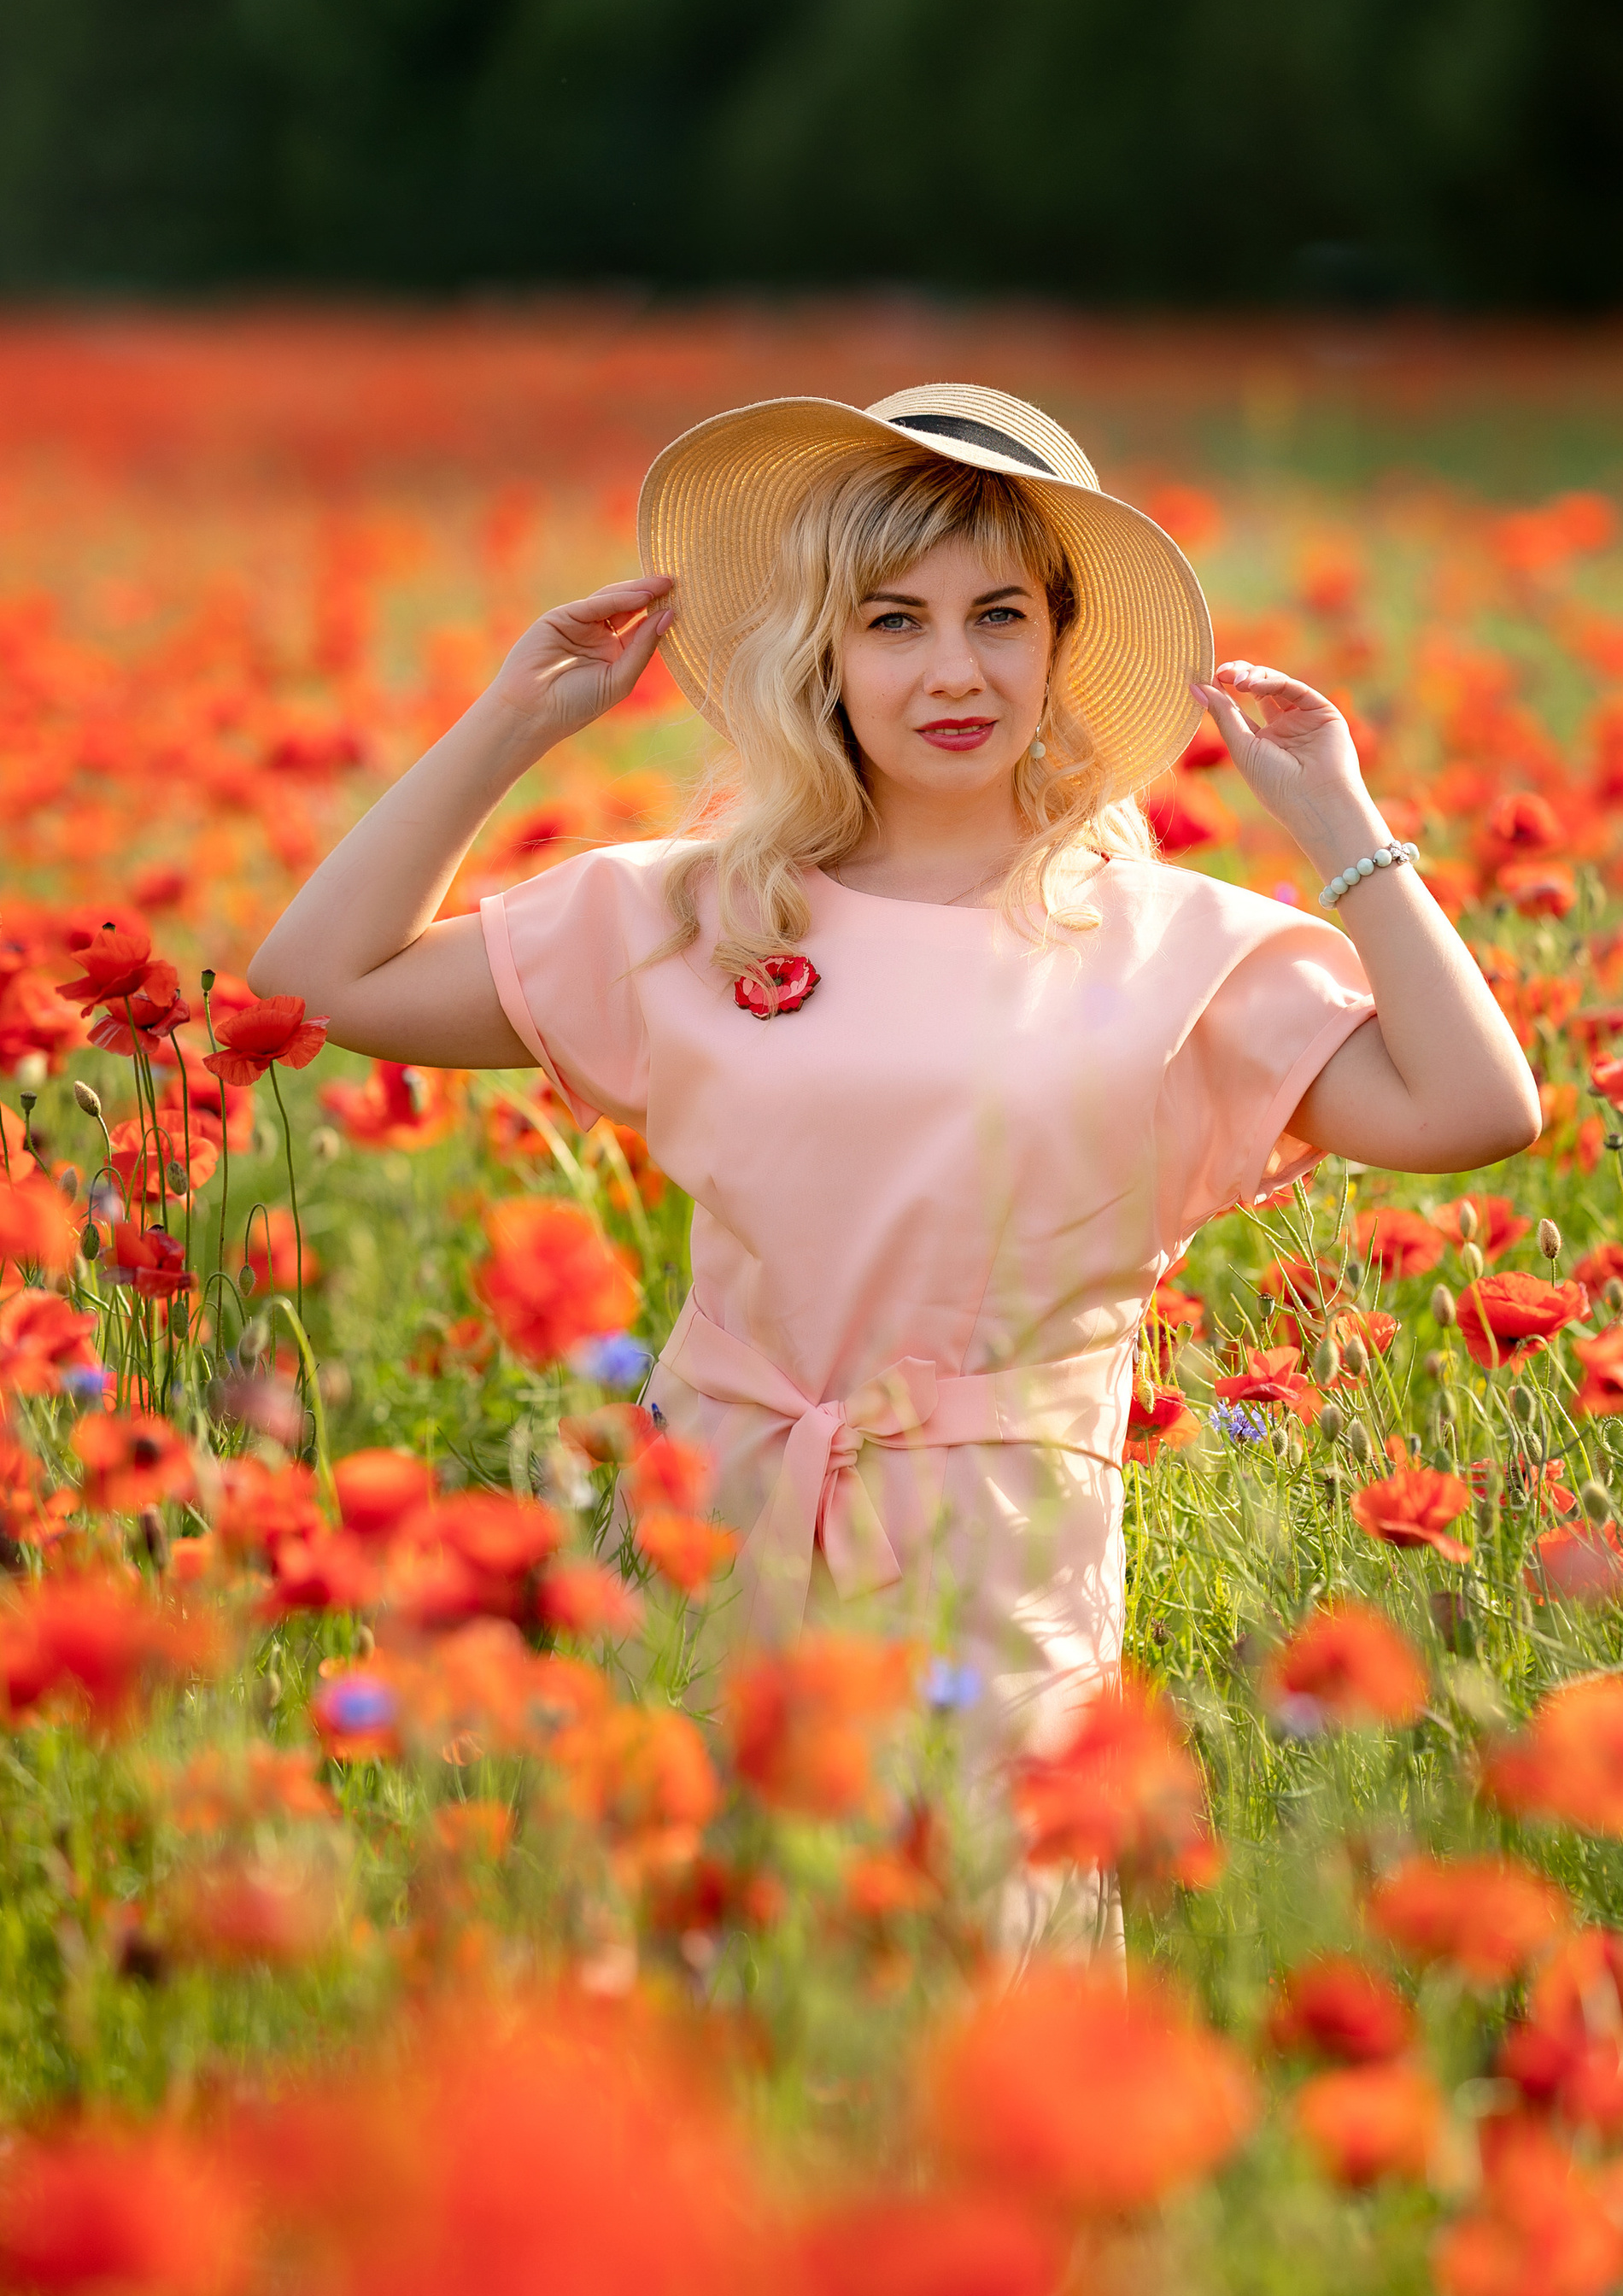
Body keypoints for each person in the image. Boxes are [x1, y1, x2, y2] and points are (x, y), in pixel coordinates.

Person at [252, 382, 1537, 1881]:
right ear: (825, 651)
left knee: (974, 2009)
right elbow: (314, 984)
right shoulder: (698, 912)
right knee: (716, 2007)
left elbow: (1477, 1108)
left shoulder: (1171, 946)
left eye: (999, 615)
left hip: (1002, 1567)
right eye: (894, 620)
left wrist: (1342, 829)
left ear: (1059, 645)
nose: (955, 669)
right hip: (716, 1529)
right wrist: (506, 724)